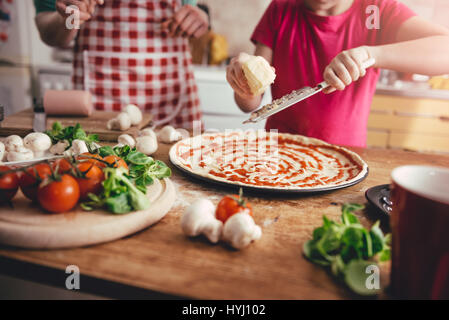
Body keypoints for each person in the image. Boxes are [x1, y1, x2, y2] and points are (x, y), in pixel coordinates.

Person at [226, 0, 449, 147]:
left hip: (346, 156)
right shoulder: (281, 9)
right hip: (278, 151)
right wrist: (244, 84)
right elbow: (250, 103)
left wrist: (370, 54)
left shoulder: (374, 12)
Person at [34, 0, 209, 129]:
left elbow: (199, 8)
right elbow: (49, 34)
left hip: (171, 93)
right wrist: (70, 17)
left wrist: (200, 18)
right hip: (99, 94)